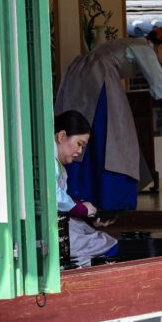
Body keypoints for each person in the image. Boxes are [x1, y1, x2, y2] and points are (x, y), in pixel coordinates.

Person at [54, 29, 162, 210]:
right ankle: (110, 200)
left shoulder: (132, 43)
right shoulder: (145, 49)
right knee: (115, 137)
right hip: (99, 75)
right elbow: (158, 86)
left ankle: (80, 194)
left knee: (83, 136)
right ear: (161, 47)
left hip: (79, 75)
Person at [54, 110, 118, 267]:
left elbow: (64, 197)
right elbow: (55, 198)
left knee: (102, 240)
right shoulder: (48, 160)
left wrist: (88, 211)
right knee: (107, 245)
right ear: (61, 136)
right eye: (79, 144)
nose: (80, 151)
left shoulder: (59, 165)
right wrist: (84, 210)